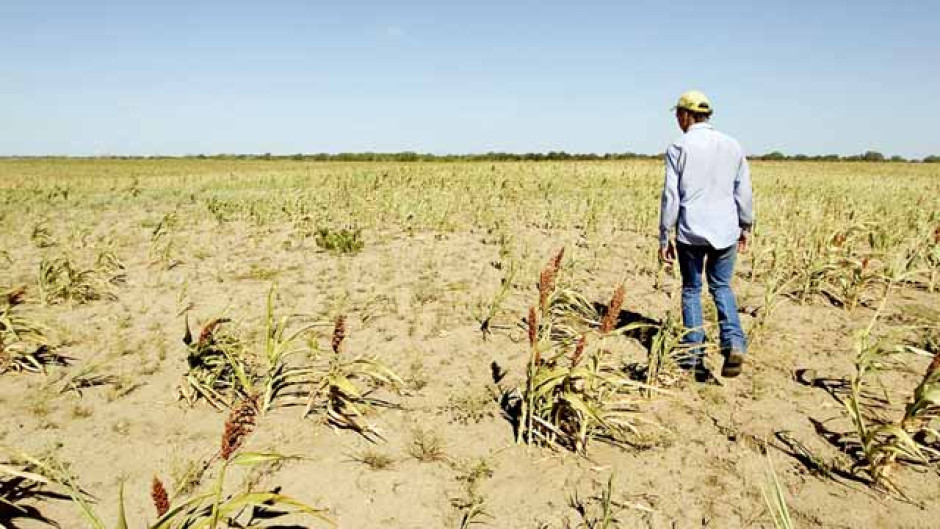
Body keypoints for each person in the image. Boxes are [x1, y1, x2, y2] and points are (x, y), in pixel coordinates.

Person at [658, 90, 753, 379]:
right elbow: (743, 190)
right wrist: (746, 225)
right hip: (726, 230)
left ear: (687, 115)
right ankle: (734, 342)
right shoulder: (732, 144)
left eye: (678, 114)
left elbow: (671, 196)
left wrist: (664, 235)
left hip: (691, 231)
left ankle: (693, 353)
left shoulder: (679, 147)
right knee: (721, 287)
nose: (677, 119)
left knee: (691, 289)